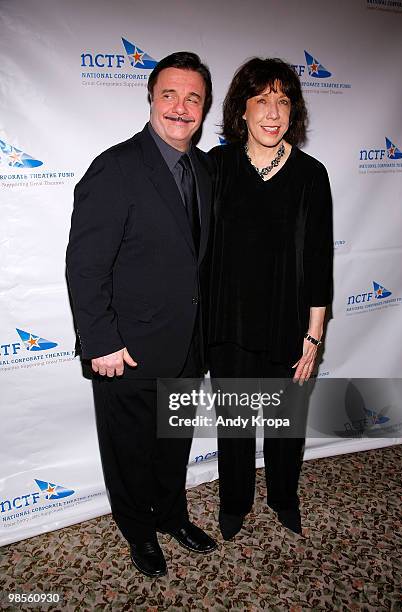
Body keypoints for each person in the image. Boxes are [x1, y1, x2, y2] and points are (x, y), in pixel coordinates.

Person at [66, 51, 217, 577]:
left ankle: (171, 515)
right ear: (150, 98)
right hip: (125, 349)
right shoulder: (116, 167)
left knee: (173, 444)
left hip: (186, 345)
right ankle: (138, 532)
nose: (181, 107)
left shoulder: (202, 168)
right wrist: (100, 341)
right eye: (170, 94)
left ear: (205, 107)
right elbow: (85, 266)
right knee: (129, 451)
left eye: (193, 97)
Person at [208, 58, 333, 540]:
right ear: (242, 109)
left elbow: (320, 258)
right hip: (229, 323)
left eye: (282, 101)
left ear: (293, 111)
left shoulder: (310, 174)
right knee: (235, 422)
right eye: (261, 100)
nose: (272, 112)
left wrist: (313, 334)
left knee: (286, 424)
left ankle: (284, 498)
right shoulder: (216, 166)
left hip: (287, 321)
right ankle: (234, 503)